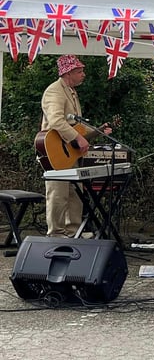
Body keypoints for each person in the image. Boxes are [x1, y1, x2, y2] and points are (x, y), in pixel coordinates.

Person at [40, 55, 110, 238]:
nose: (83, 75)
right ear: (68, 73)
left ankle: (73, 231)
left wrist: (98, 131)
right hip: (55, 151)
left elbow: (75, 125)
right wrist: (78, 138)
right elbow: (56, 120)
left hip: (69, 152)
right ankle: (55, 233)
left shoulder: (70, 91)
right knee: (58, 194)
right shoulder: (55, 91)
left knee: (75, 193)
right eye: (79, 71)